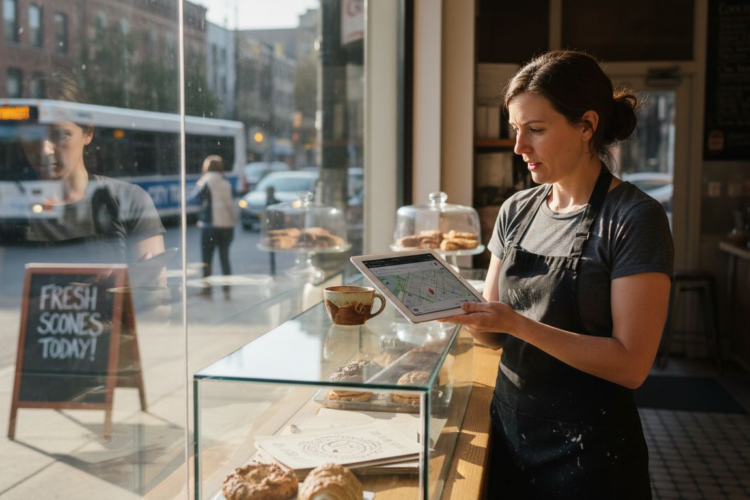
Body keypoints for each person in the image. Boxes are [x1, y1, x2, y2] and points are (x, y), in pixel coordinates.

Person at [439, 50, 674, 499]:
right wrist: (454, 309)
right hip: (509, 436)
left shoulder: (634, 218)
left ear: (586, 126)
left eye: (536, 130)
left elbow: (631, 365)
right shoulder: (516, 210)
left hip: (592, 457)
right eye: (515, 130)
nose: (519, 147)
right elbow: (492, 334)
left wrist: (515, 324)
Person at [19, 72, 166, 272]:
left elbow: (154, 296)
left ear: (88, 134)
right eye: (32, 134)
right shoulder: (10, 211)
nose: (45, 149)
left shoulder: (130, 201)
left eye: (60, 135)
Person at [192, 155, 237, 298]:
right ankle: (227, 290)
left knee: (207, 260)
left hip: (210, 227)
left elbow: (193, 199)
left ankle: (207, 290)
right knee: (225, 259)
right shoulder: (225, 183)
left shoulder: (205, 182)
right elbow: (232, 206)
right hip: (226, 227)